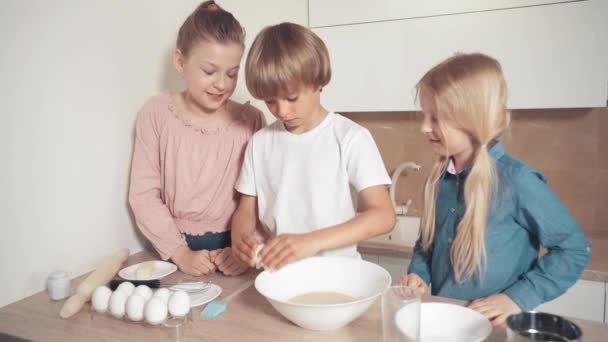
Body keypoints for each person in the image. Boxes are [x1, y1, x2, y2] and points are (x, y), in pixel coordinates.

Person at [398, 52, 591, 326]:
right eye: (424, 115)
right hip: (447, 323)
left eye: (436, 117)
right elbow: (427, 243)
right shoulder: (439, 178)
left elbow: (574, 249)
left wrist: (516, 298)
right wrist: (419, 274)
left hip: (496, 330)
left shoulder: (518, 181)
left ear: (473, 118)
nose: (424, 127)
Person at [231, 22, 396, 271]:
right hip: (281, 276)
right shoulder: (259, 143)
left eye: (292, 98)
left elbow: (384, 216)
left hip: (340, 275)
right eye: (270, 101)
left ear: (318, 81)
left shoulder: (350, 137)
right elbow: (246, 210)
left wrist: (311, 242)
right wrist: (241, 238)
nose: (282, 111)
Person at [129, 1, 265, 277]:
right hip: (171, 252)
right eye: (209, 71)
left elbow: (265, 198)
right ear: (180, 61)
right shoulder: (156, 114)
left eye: (232, 73)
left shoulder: (252, 121)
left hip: (234, 253)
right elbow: (143, 195)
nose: (222, 84)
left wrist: (246, 250)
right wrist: (180, 253)